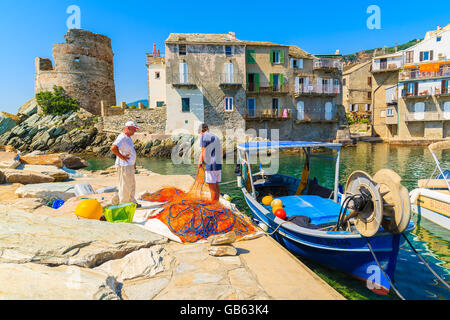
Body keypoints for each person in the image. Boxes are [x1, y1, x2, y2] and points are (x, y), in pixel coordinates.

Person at [110, 121, 139, 204]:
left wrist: (133, 162)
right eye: (134, 129)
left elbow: (130, 151)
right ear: (128, 128)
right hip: (124, 166)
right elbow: (113, 148)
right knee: (125, 186)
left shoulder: (128, 138)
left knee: (131, 185)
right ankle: (124, 203)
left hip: (129, 165)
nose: (135, 131)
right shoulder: (122, 137)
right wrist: (122, 157)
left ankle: (132, 201)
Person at [198, 123, 222, 202]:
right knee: (216, 185)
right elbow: (222, 152)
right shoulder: (216, 137)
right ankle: (217, 203)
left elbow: (203, 150)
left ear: (201, 131)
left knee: (212, 188)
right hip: (218, 165)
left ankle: (213, 206)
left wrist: (201, 162)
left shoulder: (203, 136)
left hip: (211, 165)